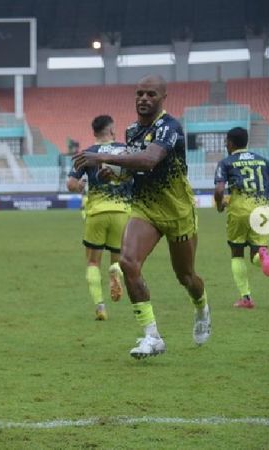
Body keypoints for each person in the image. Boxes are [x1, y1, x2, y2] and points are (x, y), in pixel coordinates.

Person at [72, 74, 209, 359]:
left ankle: (201, 306)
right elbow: (135, 168)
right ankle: (152, 336)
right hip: (144, 207)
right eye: (140, 93)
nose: (144, 99)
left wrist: (104, 158)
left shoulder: (170, 128)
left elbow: (149, 159)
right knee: (128, 262)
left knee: (185, 276)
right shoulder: (133, 130)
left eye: (151, 94)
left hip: (177, 211)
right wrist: (113, 175)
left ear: (163, 98)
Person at [66, 115, 130, 321]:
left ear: (94, 133)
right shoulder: (125, 150)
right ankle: (116, 271)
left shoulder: (87, 154)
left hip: (96, 212)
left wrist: (80, 186)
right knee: (118, 257)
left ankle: (100, 306)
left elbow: (71, 184)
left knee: (93, 262)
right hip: (123, 212)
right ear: (112, 130)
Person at [214, 128, 269, 309]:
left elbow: (220, 190)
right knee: (256, 251)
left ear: (230, 143)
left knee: (237, 254)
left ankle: (246, 298)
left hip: (239, 211)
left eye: (226, 141)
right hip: (262, 209)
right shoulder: (262, 160)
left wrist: (221, 205)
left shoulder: (226, 162)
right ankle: (262, 255)